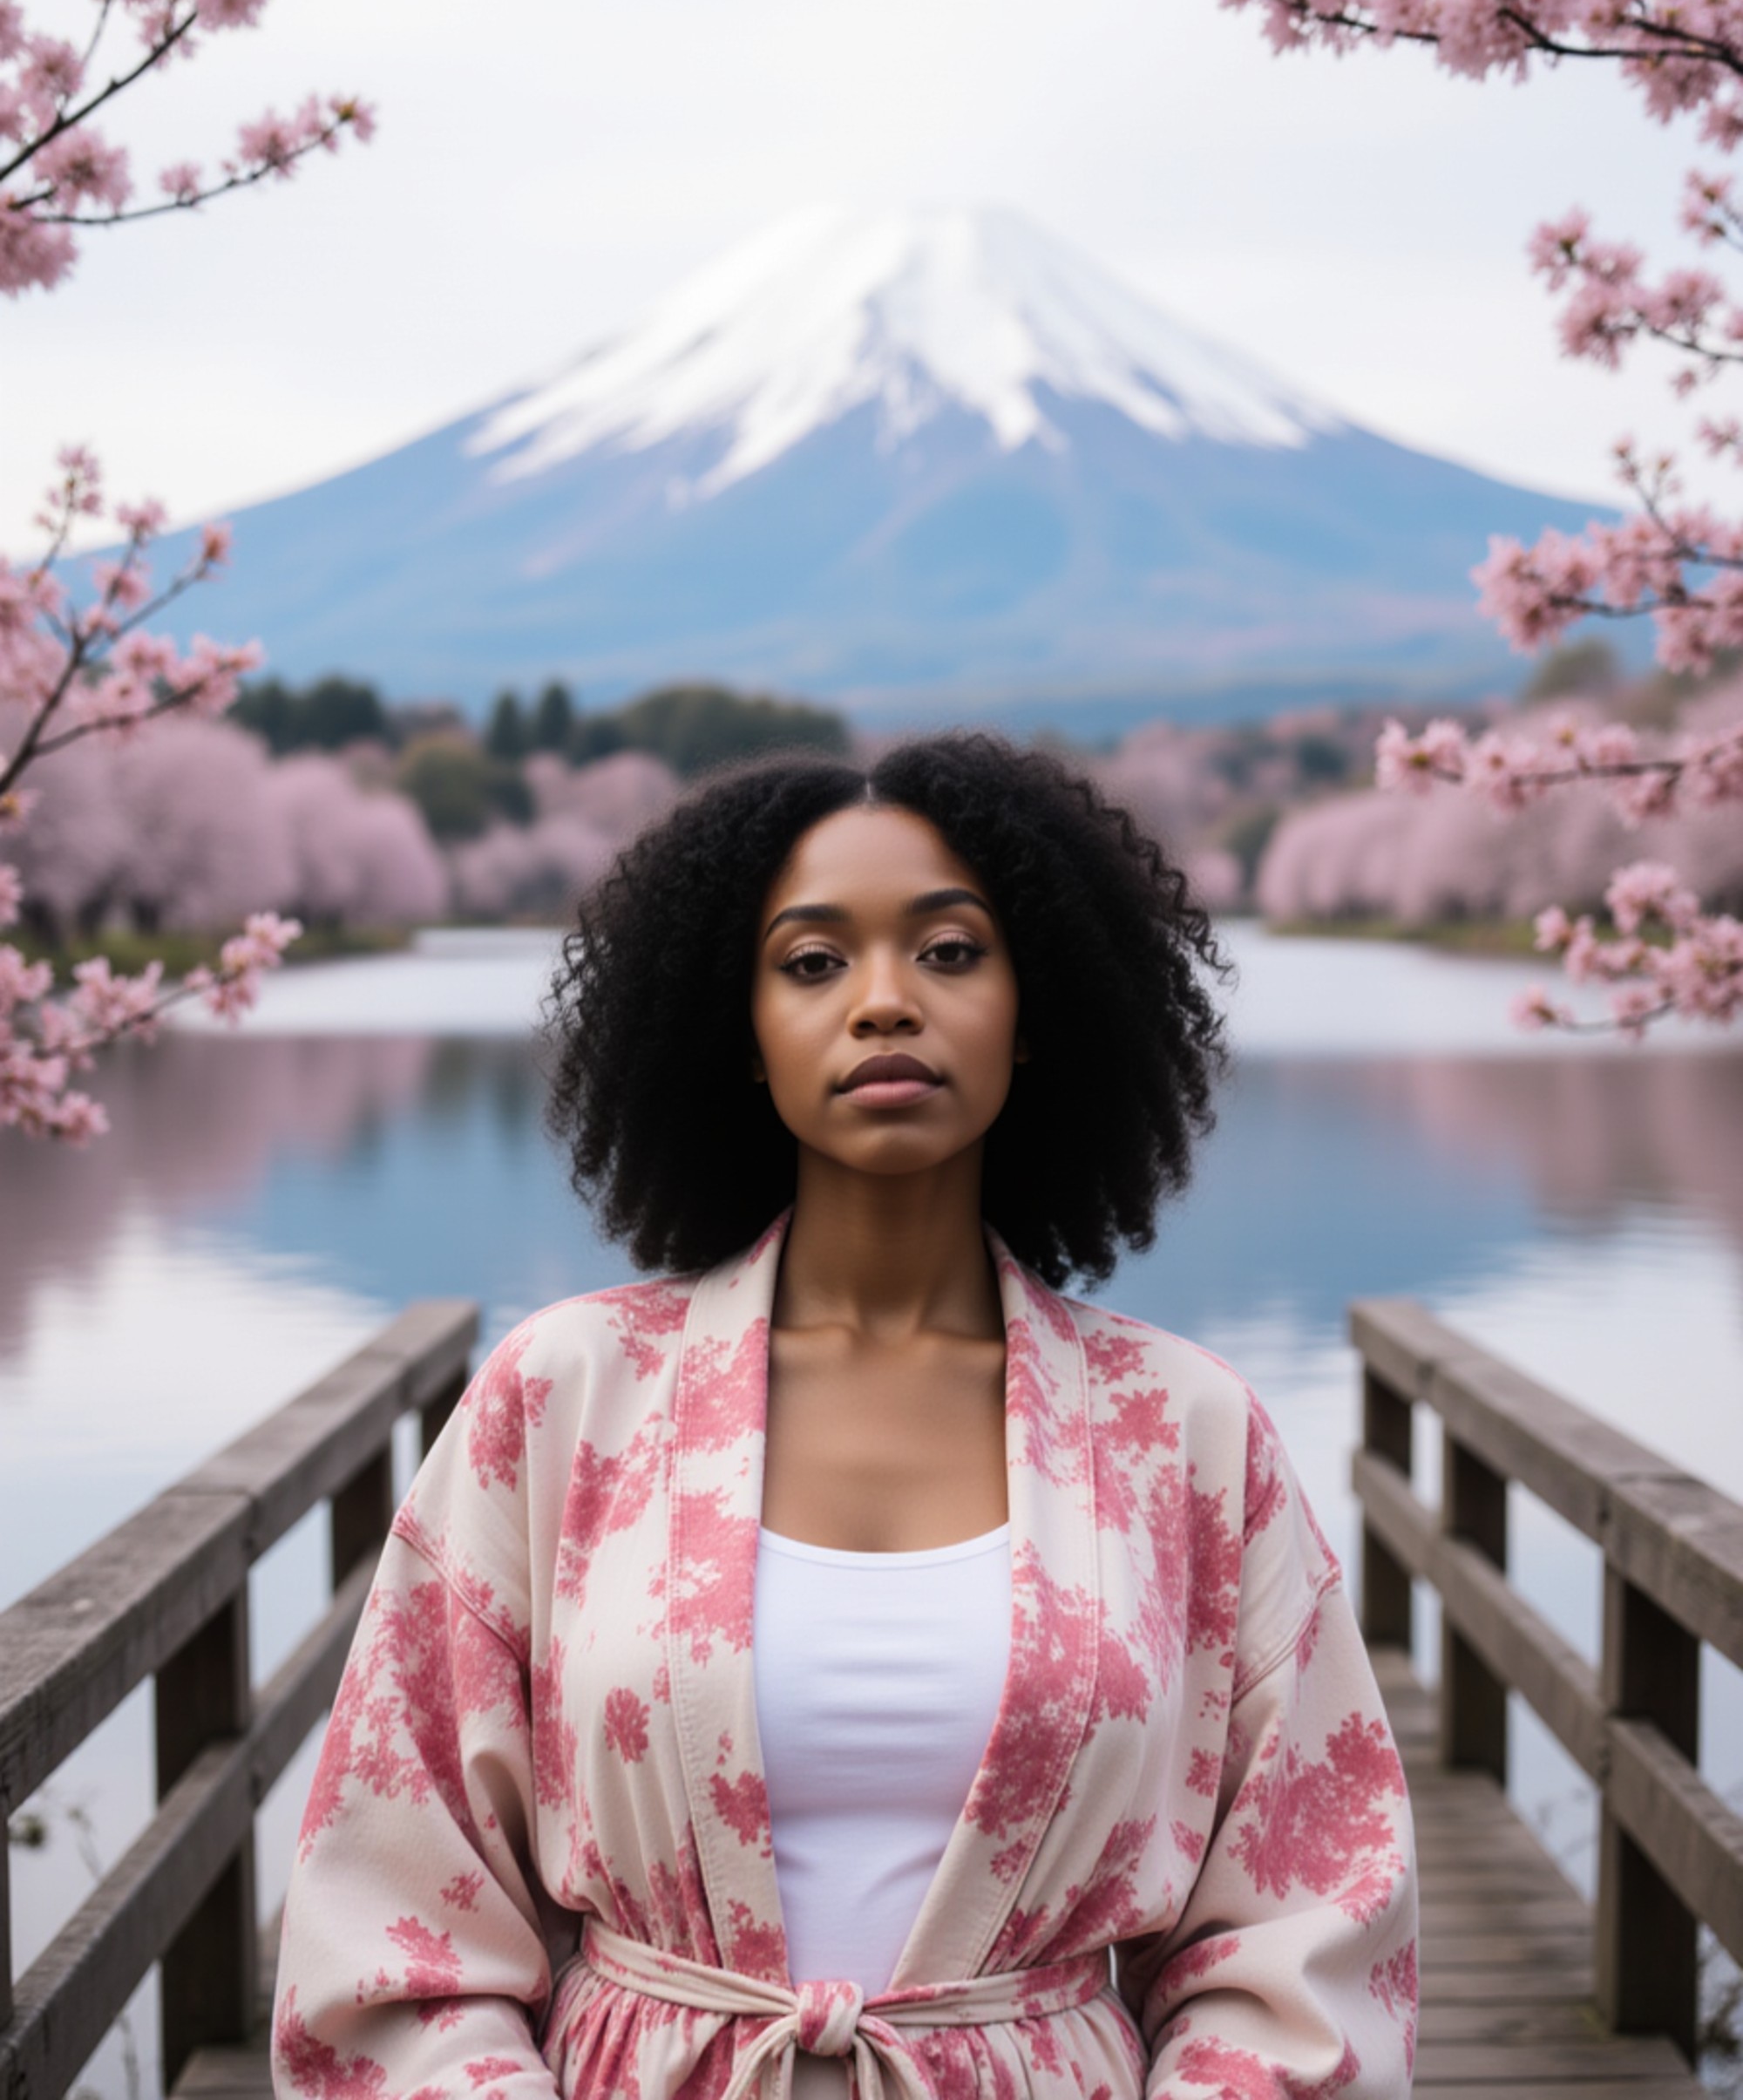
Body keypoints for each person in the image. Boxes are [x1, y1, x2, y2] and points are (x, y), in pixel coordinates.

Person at [272, 733, 1418, 2100]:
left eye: (949, 951)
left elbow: (1310, 1905)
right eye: (813, 962)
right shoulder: (565, 1398)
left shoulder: (1184, 1430)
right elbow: (401, 1892)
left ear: (1037, 1005)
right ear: (738, 1032)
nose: (885, 1001)